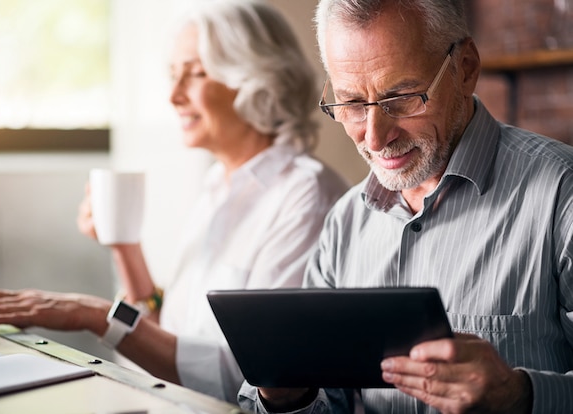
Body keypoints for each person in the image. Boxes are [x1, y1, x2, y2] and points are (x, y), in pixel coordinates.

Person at [0, 0, 348, 404]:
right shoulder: (218, 185)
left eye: (195, 73)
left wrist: (94, 315)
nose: (174, 96)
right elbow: (170, 336)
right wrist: (124, 245)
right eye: (173, 75)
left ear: (257, 79)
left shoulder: (307, 197)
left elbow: (251, 378)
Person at [236, 0, 573, 413]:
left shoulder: (561, 195)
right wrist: (288, 396)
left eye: (401, 98)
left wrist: (520, 395)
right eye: (352, 104)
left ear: (465, 68)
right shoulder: (345, 223)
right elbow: (331, 402)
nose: (374, 138)